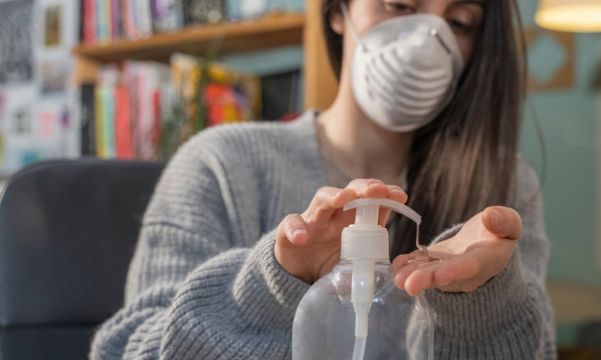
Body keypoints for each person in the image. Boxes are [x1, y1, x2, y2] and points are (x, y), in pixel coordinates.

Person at [91, 0, 554, 358]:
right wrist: (273, 288)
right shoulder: (222, 165)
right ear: (338, 12)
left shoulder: (503, 185)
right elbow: (127, 350)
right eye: (398, 4)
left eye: (460, 22)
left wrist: (485, 303)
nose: (426, 39)